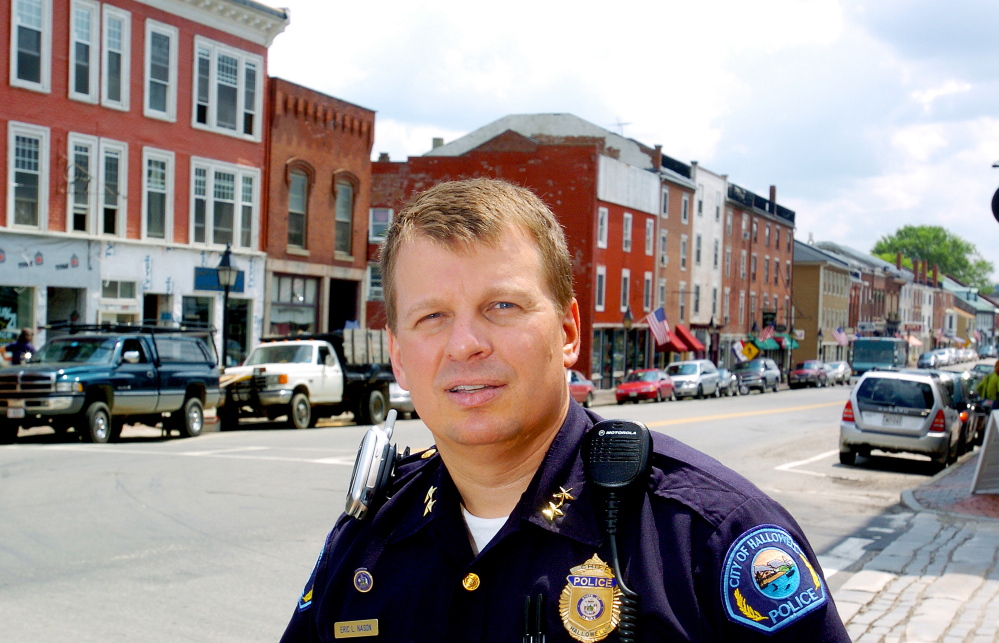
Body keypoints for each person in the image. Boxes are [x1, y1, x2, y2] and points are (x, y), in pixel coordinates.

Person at [279, 178, 849, 642]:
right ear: (399, 358)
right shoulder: (365, 544)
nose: (464, 344)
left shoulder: (709, 540)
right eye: (432, 317)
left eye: (502, 305)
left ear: (569, 330)